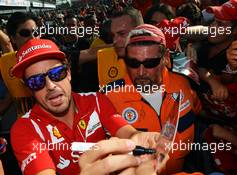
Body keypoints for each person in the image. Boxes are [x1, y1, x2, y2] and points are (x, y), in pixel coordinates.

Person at [10, 38, 159, 175]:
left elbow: (127, 133)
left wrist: (140, 139)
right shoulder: (25, 128)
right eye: (36, 82)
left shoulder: (96, 101)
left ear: (68, 73)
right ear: (30, 89)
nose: (50, 86)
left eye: (56, 74)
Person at [106, 24, 201, 174]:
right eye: (133, 63)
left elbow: (201, 111)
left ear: (165, 59)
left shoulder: (183, 84)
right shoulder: (108, 97)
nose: (141, 72)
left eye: (150, 63)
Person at [97, 6, 144, 87]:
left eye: (122, 34)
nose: (115, 41)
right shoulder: (104, 57)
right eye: (113, 35)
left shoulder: (160, 58)